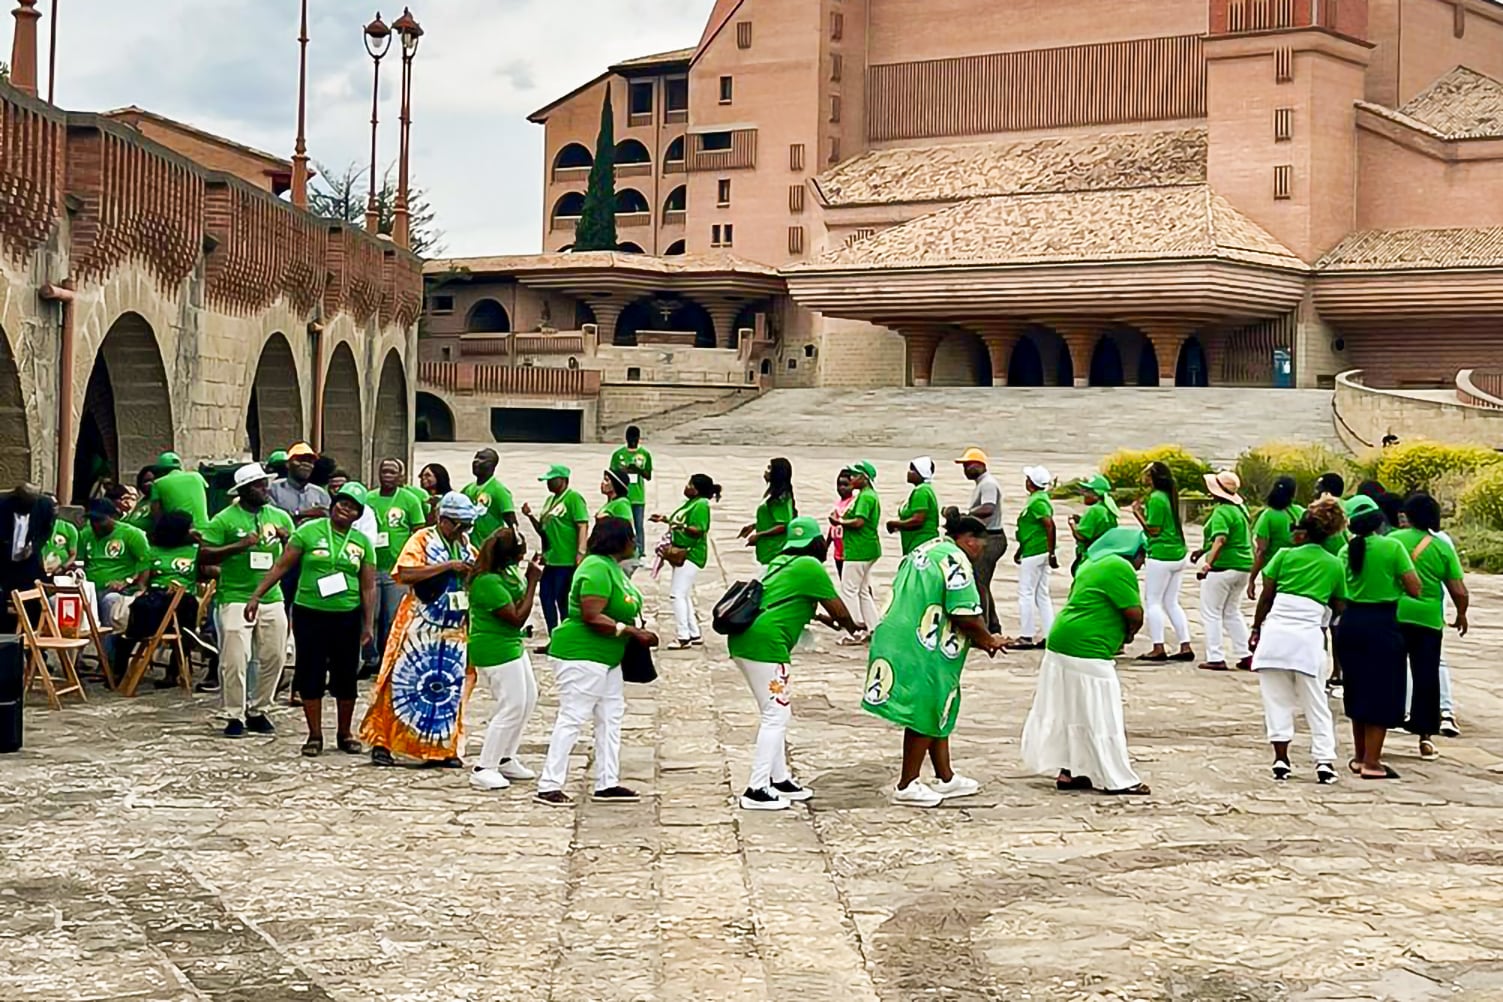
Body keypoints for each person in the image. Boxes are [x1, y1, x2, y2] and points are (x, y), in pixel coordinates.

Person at [862, 514, 1008, 807]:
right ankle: (907, 784)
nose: (981, 552)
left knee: (938, 703)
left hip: (899, 633)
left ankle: (945, 776)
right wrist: (989, 638)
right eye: (980, 546)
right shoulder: (956, 560)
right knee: (926, 707)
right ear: (969, 541)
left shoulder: (929, 548)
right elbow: (963, 612)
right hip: (920, 642)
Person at [729, 516, 860, 810]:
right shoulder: (810, 566)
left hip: (745, 639)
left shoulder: (780, 562)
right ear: (816, 543)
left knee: (772, 712)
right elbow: (838, 607)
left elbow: (790, 602)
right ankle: (756, 788)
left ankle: (780, 779)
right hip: (766, 645)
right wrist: (853, 626)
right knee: (776, 715)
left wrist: (826, 619)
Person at [246, 482, 376, 757]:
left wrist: (368, 624)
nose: (345, 509)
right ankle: (314, 735)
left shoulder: (362, 543)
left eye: (353, 507)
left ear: (358, 514)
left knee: (345, 676)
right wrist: (257, 595)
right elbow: (281, 566)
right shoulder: (307, 532)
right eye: (342, 502)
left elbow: (367, 585)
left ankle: (344, 733)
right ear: (333, 504)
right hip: (310, 614)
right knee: (311, 673)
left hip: (346, 616)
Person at [535, 517, 658, 806]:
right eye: (631, 537)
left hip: (608, 657)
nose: (635, 542)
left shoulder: (611, 568)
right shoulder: (595, 569)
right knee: (574, 716)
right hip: (583, 654)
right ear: (619, 541)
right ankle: (549, 784)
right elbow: (592, 615)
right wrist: (630, 630)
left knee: (611, 716)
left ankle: (607, 781)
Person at [1022, 527, 1152, 796]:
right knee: (1101, 711)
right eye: (1143, 555)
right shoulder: (1119, 566)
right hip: (1087, 648)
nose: (1143, 563)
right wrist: (1128, 635)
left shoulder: (1092, 563)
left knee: (1070, 709)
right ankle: (1118, 778)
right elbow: (1134, 613)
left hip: (1062, 641)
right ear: (1131, 551)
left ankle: (1070, 771)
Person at [361, 492, 478, 768]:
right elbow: (404, 573)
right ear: (445, 520)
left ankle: (440, 749)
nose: (465, 529)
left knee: (447, 687)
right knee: (401, 682)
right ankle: (383, 742)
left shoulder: (465, 544)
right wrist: (448, 566)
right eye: (461, 524)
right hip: (419, 623)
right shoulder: (423, 540)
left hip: (452, 627)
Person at [1249, 498, 1347, 784]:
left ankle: (1281, 759)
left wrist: (1256, 628)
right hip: (1307, 636)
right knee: (1315, 703)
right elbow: (1340, 605)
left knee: (1276, 700)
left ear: (1302, 531)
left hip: (1276, 632)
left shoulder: (1283, 556)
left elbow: (1267, 596)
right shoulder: (1333, 565)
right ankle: (1324, 761)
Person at [199, 463, 294, 737]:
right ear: (243, 490)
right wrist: (236, 547)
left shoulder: (279, 517)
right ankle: (233, 713)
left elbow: (292, 557)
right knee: (235, 658)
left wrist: (287, 540)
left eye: (265, 484)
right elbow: (204, 556)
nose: (265, 489)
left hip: (271, 596)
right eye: (258, 485)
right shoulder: (224, 519)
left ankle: (259, 708)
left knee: (274, 655)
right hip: (235, 595)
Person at [1334, 495, 1422, 781]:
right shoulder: (1392, 547)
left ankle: (1360, 757)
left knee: (1357, 688)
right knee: (1382, 691)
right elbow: (1415, 588)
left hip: (1351, 623)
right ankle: (1373, 762)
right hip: (1383, 623)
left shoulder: (1346, 552)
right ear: (1378, 520)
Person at [1391, 492, 1468, 762]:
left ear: (1406, 516)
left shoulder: (1392, 541)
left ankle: (1387, 719)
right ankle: (1424, 737)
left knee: (1391, 670)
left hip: (1395, 615)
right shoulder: (1442, 546)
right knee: (1426, 675)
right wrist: (1461, 614)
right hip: (1427, 619)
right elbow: (1458, 589)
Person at [469, 527, 545, 791]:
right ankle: (484, 767)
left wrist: (528, 573)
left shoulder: (507, 572)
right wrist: (534, 581)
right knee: (511, 705)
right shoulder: (488, 582)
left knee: (529, 698)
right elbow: (516, 617)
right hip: (494, 647)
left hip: (512, 643)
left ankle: (505, 756)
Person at [127, 511, 204, 689]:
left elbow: (208, 571)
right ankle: (120, 667)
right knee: (141, 605)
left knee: (186, 606)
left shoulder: (196, 549)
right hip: (157, 596)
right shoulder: (152, 550)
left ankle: (173, 671)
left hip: (184, 598)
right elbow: (143, 582)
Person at [367, 459, 428, 674]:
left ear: (401, 476)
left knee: (392, 616)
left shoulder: (410, 500)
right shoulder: (369, 498)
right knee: (372, 615)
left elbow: (419, 532)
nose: (387, 475)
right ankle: (371, 658)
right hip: (372, 567)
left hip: (397, 570)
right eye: (384, 471)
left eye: (393, 471)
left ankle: (389, 657)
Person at [1132, 461, 1194, 663]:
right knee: (1171, 602)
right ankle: (1185, 644)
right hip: (1178, 553)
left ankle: (1158, 646)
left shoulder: (1157, 499)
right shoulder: (1169, 496)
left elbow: (1153, 530)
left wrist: (1137, 513)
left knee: (1153, 602)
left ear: (1153, 478)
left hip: (1161, 555)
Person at [1193, 470, 1254, 672]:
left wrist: (1207, 563)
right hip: (1243, 566)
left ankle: (1216, 656)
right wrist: (1203, 549)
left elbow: (1220, 539)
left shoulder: (1221, 512)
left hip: (1223, 567)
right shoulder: (1240, 509)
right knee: (1232, 611)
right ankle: (1245, 653)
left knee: (1211, 612)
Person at [79, 498, 149, 669]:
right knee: (69, 605)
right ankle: (74, 659)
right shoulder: (85, 534)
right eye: (93, 520)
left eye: (100, 520)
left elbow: (145, 564)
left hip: (121, 589)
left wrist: (130, 582)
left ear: (113, 517)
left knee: (109, 602)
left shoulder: (131, 534)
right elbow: (80, 562)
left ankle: (108, 660)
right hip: (89, 587)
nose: (96, 525)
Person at [523, 464, 590, 639]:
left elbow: (582, 524)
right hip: (551, 559)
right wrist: (530, 516)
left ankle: (567, 637)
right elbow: (543, 530)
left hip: (566, 559)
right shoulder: (550, 501)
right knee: (546, 598)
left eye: (552, 480)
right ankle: (554, 635)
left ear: (563, 480)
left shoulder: (573, 498)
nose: (549, 484)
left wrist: (581, 552)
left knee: (563, 600)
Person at [268, 443, 332, 623]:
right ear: (288, 464)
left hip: (311, 559)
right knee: (282, 605)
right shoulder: (273, 489)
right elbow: (273, 520)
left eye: (310, 461)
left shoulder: (319, 494)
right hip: (282, 558)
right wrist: (302, 514)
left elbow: (327, 520)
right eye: (301, 460)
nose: (306, 465)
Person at [655, 473, 720, 649]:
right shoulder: (691, 503)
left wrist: (680, 527)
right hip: (683, 552)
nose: (687, 487)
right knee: (684, 594)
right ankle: (694, 632)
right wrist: (666, 520)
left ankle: (683, 636)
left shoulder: (701, 505)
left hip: (691, 554)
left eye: (690, 484)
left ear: (697, 489)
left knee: (676, 594)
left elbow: (698, 529)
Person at [953, 448, 1007, 634]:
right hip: (987, 537)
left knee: (980, 583)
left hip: (992, 538)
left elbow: (988, 508)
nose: (965, 469)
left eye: (968, 465)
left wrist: (965, 516)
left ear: (980, 465)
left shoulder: (988, 484)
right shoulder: (981, 484)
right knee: (982, 582)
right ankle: (993, 625)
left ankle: (983, 627)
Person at [830, 461, 880, 643]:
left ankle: (853, 631)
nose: (850, 478)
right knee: (862, 591)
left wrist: (839, 522)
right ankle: (873, 628)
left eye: (854, 475)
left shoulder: (865, 497)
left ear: (864, 478)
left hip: (859, 549)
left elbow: (859, 522)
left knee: (848, 589)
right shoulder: (867, 495)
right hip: (867, 548)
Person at [0, 483, 56, 633]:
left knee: (33, 602)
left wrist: (34, 546)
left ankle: (34, 645)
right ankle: (7, 643)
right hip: (4, 561)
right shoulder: (3, 505)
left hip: (28, 562)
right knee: (3, 603)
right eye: (25, 502)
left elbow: (46, 529)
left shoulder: (44, 506)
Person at [1013, 465, 1057, 649]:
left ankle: (1026, 635)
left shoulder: (1038, 502)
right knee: (1041, 594)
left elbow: (1049, 525)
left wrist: (1051, 551)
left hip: (1036, 551)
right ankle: (1049, 634)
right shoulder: (1039, 499)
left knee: (1026, 592)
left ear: (1031, 483)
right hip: (1036, 550)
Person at [1248, 476, 1304, 600]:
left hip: (1273, 569)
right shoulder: (1300, 512)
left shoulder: (1268, 516)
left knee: (1269, 603)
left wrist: (1252, 579)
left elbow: (1261, 550)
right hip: (1298, 568)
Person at [740, 458, 796, 572]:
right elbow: (772, 519)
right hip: (766, 551)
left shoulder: (780, 499)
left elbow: (783, 525)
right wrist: (754, 526)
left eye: (770, 469)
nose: (766, 472)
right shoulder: (773, 495)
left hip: (774, 551)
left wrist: (759, 535)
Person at [609, 425, 654, 557]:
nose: (633, 440)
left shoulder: (645, 454)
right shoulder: (618, 454)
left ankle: (640, 551)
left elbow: (648, 476)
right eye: (630, 438)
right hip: (621, 496)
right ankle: (620, 549)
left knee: (638, 525)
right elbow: (611, 475)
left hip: (637, 496)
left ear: (639, 438)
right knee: (620, 525)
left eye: (635, 438)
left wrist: (638, 470)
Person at [886, 457, 941, 556]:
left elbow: (918, 520)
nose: (908, 472)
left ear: (921, 473)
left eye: (912, 470)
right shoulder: (925, 489)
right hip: (916, 542)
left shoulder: (921, 491)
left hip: (921, 543)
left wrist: (895, 524)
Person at [465, 448, 519, 545]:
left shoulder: (499, 490)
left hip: (490, 549)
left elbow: (511, 521)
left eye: (482, 458)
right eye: (475, 457)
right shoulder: (468, 489)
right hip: (470, 548)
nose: (475, 461)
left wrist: (517, 542)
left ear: (492, 465)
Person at [1068, 474, 1118, 575]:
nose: (1084, 494)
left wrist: (1072, 524)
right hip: (1102, 554)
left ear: (1096, 494)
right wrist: (1082, 520)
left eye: (1087, 492)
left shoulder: (1094, 510)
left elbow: (1081, 536)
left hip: (1089, 556)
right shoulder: (1107, 509)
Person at [150, 451, 209, 530]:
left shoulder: (158, 483)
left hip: (179, 533)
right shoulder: (197, 476)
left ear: (160, 470)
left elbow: (156, 512)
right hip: (204, 529)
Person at [828, 469, 855, 578]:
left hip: (849, 551)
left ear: (853, 486)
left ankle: (870, 596)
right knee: (844, 582)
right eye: (839, 485)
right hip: (838, 552)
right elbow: (832, 527)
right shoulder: (838, 504)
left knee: (856, 582)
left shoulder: (853, 503)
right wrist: (827, 544)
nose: (841, 488)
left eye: (845, 484)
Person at [40, 507, 78, 576]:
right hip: (40, 571)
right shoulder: (35, 527)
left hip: (62, 573)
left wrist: (62, 567)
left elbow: (73, 555)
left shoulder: (69, 528)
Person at [121, 466, 156, 531]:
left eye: (151, 480)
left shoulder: (157, 503)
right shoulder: (141, 503)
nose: (148, 484)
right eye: (145, 481)